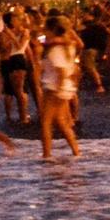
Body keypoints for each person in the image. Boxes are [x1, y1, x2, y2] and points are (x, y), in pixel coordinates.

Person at [39, 16, 81, 158]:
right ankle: (76, 152)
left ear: (52, 30)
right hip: (64, 87)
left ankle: (47, 155)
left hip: (54, 87)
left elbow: (61, 71)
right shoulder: (68, 45)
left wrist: (59, 89)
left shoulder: (56, 48)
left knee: (45, 122)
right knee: (62, 122)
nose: (44, 32)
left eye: (46, 29)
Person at [0, 11, 31, 124]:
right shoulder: (7, 33)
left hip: (18, 59)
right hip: (12, 59)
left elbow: (21, 47)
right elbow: (4, 47)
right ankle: (22, 117)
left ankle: (23, 116)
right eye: (16, 19)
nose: (18, 21)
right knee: (15, 91)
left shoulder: (22, 32)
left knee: (19, 91)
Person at [79, 7, 110, 93]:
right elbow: (108, 34)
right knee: (85, 67)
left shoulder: (86, 26)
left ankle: (99, 86)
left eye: (83, 14)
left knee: (90, 68)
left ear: (89, 15)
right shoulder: (99, 25)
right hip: (97, 48)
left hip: (90, 49)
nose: (82, 16)